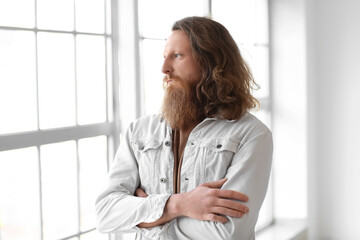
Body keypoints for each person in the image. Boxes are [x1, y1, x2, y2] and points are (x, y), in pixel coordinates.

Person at [95, 16, 273, 240]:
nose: (164, 68)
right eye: (164, 57)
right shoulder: (139, 131)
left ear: (211, 61)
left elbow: (226, 232)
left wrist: (145, 216)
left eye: (177, 56)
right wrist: (181, 205)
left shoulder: (251, 134)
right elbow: (105, 214)